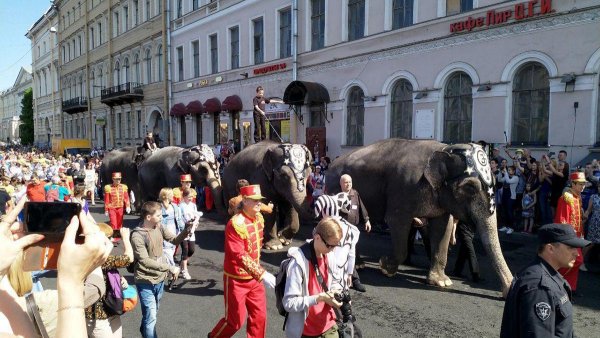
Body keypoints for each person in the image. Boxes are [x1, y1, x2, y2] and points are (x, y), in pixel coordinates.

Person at [208, 184, 277, 338]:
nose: (259, 203)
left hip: (255, 279)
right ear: (245, 201)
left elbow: (267, 209)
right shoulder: (235, 224)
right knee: (235, 321)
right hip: (236, 280)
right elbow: (239, 255)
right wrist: (263, 274)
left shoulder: (258, 217)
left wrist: (259, 274)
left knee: (260, 318)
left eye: (260, 199)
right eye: (255, 200)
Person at [500, 223, 591, 337]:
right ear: (550, 249)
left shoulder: (547, 275)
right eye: (570, 247)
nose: (577, 253)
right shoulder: (539, 287)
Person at [130, 201, 194, 338]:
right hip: (145, 280)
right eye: (158, 215)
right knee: (151, 315)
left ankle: (145, 331)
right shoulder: (137, 236)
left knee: (151, 314)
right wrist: (170, 267)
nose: (162, 217)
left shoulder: (158, 226)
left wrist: (186, 229)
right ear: (148, 217)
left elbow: (175, 240)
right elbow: (145, 261)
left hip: (159, 279)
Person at [282, 217, 343, 338]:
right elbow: (289, 303)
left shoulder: (329, 255)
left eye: (336, 246)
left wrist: (336, 291)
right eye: (330, 246)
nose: (332, 250)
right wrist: (319, 298)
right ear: (318, 237)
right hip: (305, 331)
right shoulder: (297, 263)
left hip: (328, 325)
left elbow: (336, 280)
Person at [85, 224, 134, 338]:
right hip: (97, 316)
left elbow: (107, 275)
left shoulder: (104, 258)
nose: (112, 240)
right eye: (109, 237)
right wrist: (126, 239)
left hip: (110, 310)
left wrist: (120, 279)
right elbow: (129, 258)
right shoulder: (96, 257)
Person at [554, 171, 586, 292]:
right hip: (568, 237)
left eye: (583, 184)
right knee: (576, 260)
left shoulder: (578, 198)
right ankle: (557, 280)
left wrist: (581, 234)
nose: (582, 186)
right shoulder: (565, 198)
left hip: (576, 237)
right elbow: (561, 219)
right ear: (572, 184)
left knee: (575, 263)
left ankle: (570, 287)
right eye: (580, 184)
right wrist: (565, 237)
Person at [339, 174, 369, 292]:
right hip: (342, 230)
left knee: (352, 253)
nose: (348, 184)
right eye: (346, 182)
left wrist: (367, 220)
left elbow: (361, 208)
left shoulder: (355, 194)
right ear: (341, 183)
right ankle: (355, 280)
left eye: (350, 182)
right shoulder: (337, 197)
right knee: (347, 254)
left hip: (354, 229)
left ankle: (351, 277)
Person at [178, 188, 201, 280]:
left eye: (191, 196)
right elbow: (180, 218)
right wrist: (185, 224)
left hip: (192, 230)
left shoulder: (193, 205)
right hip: (183, 230)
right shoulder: (180, 206)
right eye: (188, 197)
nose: (190, 198)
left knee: (191, 250)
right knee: (185, 250)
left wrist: (196, 222)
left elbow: (196, 215)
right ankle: (185, 270)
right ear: (184, 197)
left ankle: (181, 265)